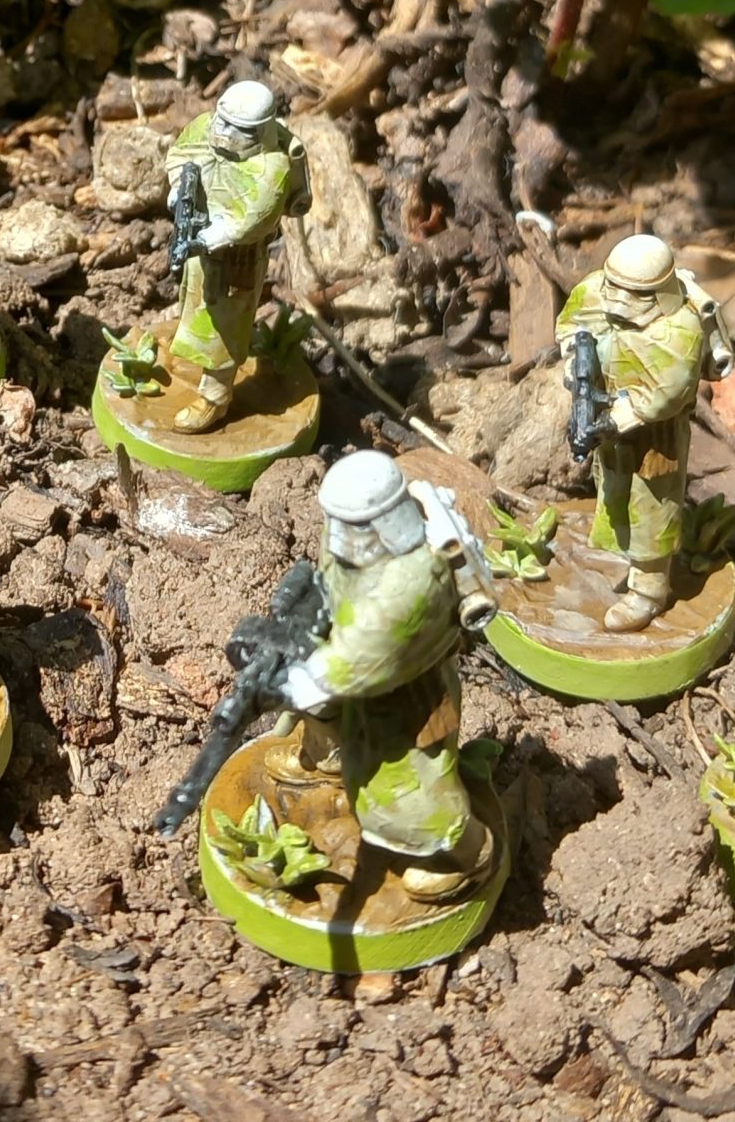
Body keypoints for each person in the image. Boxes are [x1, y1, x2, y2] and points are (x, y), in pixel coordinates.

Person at [270, 452, 500, 903]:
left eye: (351, 524)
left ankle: (467, 851)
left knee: (408, 785)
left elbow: (369, 651)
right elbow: (332, 585)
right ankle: (329, 757)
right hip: (348, 663)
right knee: (322, 712)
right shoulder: (353, 543)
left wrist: (304, 679)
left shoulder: (415, 579)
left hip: (406, 696)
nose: (338, 533)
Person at [555, 233, 735, 629]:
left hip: (655, 436)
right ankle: (624, 554)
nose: (619, 300)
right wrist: (575, 364)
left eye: (634, 293)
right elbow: (571, 327)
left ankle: (650, 591)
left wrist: (617, 418)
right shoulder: (595, 291)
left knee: (653, 507)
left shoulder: (679, 329)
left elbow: (667, 393)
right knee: (613, 492)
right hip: (607, 426)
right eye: (615, 287)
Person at [165, 80, 308, 431]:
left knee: (225, 329)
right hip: (199, 251)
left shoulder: (271, 167)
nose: (226, 133)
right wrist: (178, 190)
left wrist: (214, 235)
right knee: (194, 307)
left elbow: (254, 219)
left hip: (236, 260)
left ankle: (214, 398)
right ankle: (194, 357)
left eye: (240, 129)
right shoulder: (204, 128)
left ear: (261, 130)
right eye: (223, 122)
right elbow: (180, 155)